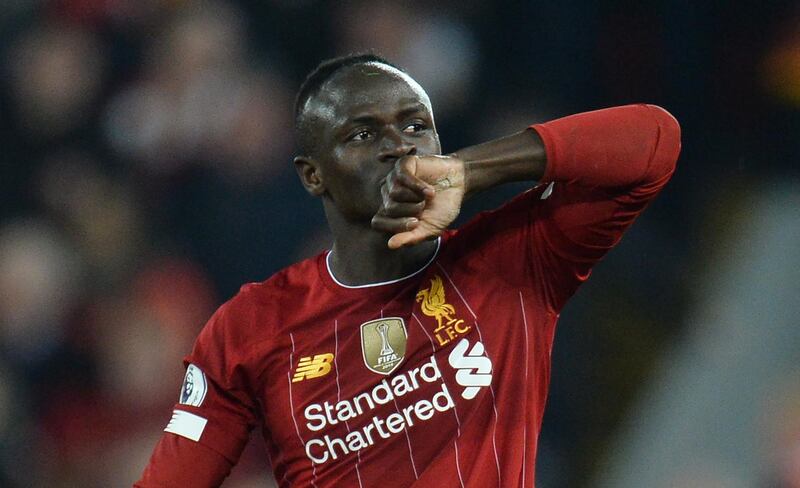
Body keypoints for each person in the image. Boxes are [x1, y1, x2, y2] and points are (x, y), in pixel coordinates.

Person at [135, 53, 681, 487]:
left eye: (417, 125)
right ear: (313, 176)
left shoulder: (513, 262)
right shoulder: (251, 328)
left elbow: (654, 141)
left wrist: (472, 168)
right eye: (362, 135)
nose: (399, 146)